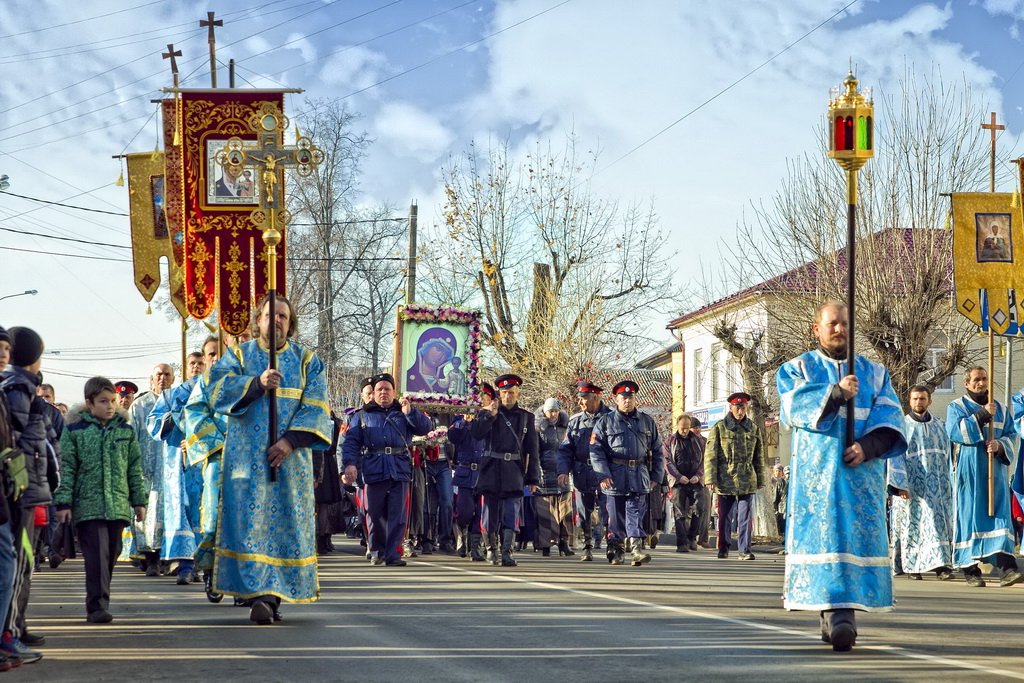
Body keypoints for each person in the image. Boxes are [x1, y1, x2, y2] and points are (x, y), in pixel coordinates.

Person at [776, 301, 907, 652]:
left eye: (845, 324)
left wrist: (868, 446)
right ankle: (836, 614)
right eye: (832, 324)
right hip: (816, 483)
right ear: (816, 329)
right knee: (826, 540)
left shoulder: (875, 374)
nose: (839, 329)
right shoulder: (797, 369)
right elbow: (790, 407)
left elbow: (892, 419)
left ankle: (841, 613)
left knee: (853, 542)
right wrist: (835, 394)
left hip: (859, 478)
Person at [207, 293, 332, 624]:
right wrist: (255, 384)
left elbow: (318, 407)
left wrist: (290, 442)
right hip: (246, 461)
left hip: (291, 464)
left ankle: (273, 596)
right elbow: (216, 390)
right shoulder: (239, 355)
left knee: (285, 527)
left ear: (290, 325)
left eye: (283, 316)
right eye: (269, 315)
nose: (275, 320)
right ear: (257, 320)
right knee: (251, 526)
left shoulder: (307, 360)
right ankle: (260, 595)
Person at [55, 377, 146, 624]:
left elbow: (134, 468)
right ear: (89, 403)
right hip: (88, 506)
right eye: (103, 401)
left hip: (117, 504)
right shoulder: (75, 431)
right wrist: (63, 503)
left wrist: (139, 501)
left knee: (112, 552)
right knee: (96, 556)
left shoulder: (125, 431)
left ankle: (100, 598)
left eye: (113, 401)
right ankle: (96, 606)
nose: (110, 406)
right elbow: (67, 468)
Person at [0, 327, 58, 663]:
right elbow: (18, 441)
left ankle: (17, 625)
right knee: (18, 563)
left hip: (29, 489)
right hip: (21, 490)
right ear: (35, 355)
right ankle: (10, 631)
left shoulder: (24, 388)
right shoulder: (18, 387)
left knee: (24, 562)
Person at [341, 373, 432, 567]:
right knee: (374, 513)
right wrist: (349, 465)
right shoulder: (361, 415)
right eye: (379, 389)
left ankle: (393, 554)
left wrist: (411, 413)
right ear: (373, 393)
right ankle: (376, 550)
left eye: (387, 389)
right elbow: (351, 443)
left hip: (399, 468)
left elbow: (425, 428)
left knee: (398, 514)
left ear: (393, 392)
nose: (383, 392)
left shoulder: (403, 412)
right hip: (373, 469)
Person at [949, 367, 1022, 587]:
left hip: (995, 472)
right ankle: (970, 569)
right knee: (969, 516)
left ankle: (1007, 567)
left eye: (984, 379)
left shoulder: (1000, 408)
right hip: (970, 473)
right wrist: (981, 416)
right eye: (976, 380)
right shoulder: (957, 407)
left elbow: (1012, 434)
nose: (981, 383)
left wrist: (1000, 445)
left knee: (1000, 516)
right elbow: (953, 432)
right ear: (967, 384)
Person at [589, 380, 664, 567]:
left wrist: (656, 476)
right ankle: (616, 550)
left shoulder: (647, 421)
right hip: (614, 475)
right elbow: (596, 451)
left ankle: (636, 548)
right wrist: (602, 474)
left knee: (636, 512)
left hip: (639, 473)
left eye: (630, 398)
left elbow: (658, 450)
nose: (627, 401)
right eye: (623, 398)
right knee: (615, 516)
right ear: (616, 399)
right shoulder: (605, 421)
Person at [470, 374, 540, 567]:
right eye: (503, 393)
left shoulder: (527, 417)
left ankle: (507, 552)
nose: (507, 396)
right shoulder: (489, 413)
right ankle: (491, 550)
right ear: (498, 395)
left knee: (511, 513)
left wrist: (533, 478)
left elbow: (532, 450)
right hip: (490, 469)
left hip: (513, 471)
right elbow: (476, 434)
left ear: (518, 393)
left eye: (511, 392)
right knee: (488, 513)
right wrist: (489, 417)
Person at [147, 351, 205, 585]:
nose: (197, 367)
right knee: (181, 513)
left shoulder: (213, 392)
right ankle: (184, 567)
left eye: (201, 363)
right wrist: (173, 417)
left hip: (203, 462)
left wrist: (196, 440)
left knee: (202, 513)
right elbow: (154, 422)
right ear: (185, 367)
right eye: (192, 363)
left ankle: (202, 565)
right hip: (177, 465)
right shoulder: (172, 396)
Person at [885, 385, 953, 581]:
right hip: (911, 487)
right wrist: (900, 486)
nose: (918, 402)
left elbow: (950, 456)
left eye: (922, 398)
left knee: (938, 524)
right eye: (915, 399)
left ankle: (941, 566)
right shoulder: (902, 426)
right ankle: (912, 565)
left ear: (929, 401)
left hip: (938, 487)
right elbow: (895, 457)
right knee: (913, 526)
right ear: (910, 401)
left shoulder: (940, 425)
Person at [704, 392, 765, 561]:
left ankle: (745, 549)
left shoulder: (753, 428)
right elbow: (710, 455)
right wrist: (710, 478)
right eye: (738, 408)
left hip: (747, 478)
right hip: (726, 478)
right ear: (731, 408)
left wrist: (761, 479)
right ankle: (723, 547)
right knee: (725, 517)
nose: (740, 411)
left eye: (743, 408)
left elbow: (759, 456)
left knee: (745, 517)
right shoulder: (719, 427)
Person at [557, 381, 612, 561]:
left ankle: (612, 545)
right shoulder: (575, 421)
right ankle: (587, 545)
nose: (580, 403)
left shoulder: (611, 418)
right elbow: (566, 449)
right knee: (583, 512)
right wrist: (563, 471)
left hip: (605, 472)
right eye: (579, 399)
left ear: (595, 398)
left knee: (608, 510)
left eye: (583, 399)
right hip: (582, 470)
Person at [129, 363, 173, 576]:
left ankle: (169, 557)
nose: (162, 378)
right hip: (145, 469)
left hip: (172, 470)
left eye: (167, 374)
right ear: (151, 379)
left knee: (170, 514)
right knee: (148, 514)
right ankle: (151, 558)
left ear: (173, 379)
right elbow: (131, 436)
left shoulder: (178, 401)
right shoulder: (140, 405)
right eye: (159, 374)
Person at [448, 383, 494, 561]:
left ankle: (475, 547)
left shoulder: (490, 420)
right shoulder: (462, 417)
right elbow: (452, 437)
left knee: (481, 512)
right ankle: (461, 533)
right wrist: (463, 422)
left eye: (484, 397)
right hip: (465, 472)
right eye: (478, 397)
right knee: (465, 510)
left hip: (483, 472)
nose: (481, 401)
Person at [534, 397, 573, 557]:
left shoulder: (566, 427)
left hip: (563, 472)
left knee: (565, 510)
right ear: (544, 411)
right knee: (546, 511)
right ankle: (546, 545)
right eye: (550, 411)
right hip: (545, 471)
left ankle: (564, 542)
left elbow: (571, 449)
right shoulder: (537, 428)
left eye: (556, 411)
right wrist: (537, 472)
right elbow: (534, 451)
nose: (553, 414)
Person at [663, 413, 704, 552]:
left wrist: (698, 475)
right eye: (682, 428)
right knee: (679, 513)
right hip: (678, 482)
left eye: (687, 428)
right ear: (677, 426)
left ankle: (692, 537)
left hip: (695, 481)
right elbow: (667, 461)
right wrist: (679, 476)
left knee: (698, 509)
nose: (685, 431)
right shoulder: (670, 441)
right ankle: (682, 543)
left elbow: (704, 460)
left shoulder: (698, 441)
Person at [770, 464, 788, 539]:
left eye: (779, 471)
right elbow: (776, 496)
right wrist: (775, 507)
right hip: (781, 506)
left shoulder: (788, 482)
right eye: (776, 471)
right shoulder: (773, 481)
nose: (777, 472)